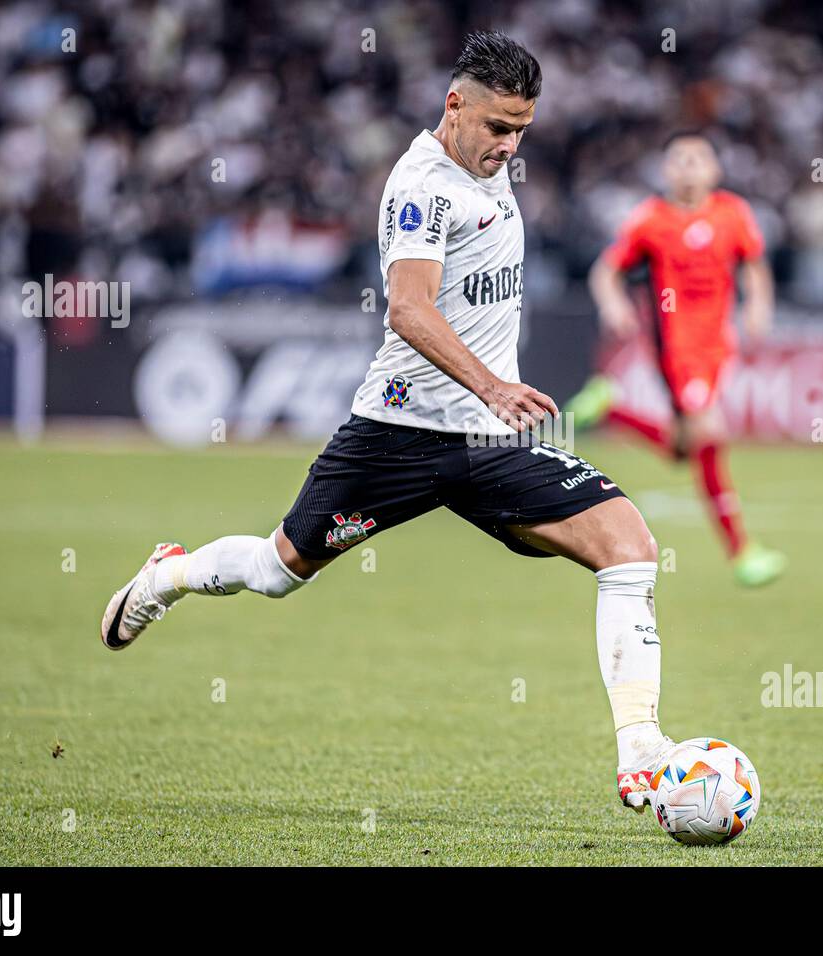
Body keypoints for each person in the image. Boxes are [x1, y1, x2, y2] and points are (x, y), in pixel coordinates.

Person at [99, 31, 678, 811]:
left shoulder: (486, 164)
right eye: (499, 127)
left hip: (490, 442)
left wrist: (494, 404)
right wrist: (494, 385)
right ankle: (168, 574)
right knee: (276, 572)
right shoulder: (421, 186)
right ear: (455, 106)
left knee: (629, 548)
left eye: (522, 131)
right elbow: (409, 309)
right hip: (397, 435)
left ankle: (641, 750)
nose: (509, 146)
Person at [566, 132, 786, 587]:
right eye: (679, 160)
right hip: (677, 345)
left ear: (714, 170)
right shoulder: (651, 220)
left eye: (697, 159)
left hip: (716, 345)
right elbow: (606, 271)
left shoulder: (733, 213)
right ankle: (741, 552)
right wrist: (613, 304)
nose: (688, 167)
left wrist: (759, 304)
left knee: (684, 449)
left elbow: (755, 264)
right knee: (710, 434)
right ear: (666, 170)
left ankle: (614, 409)